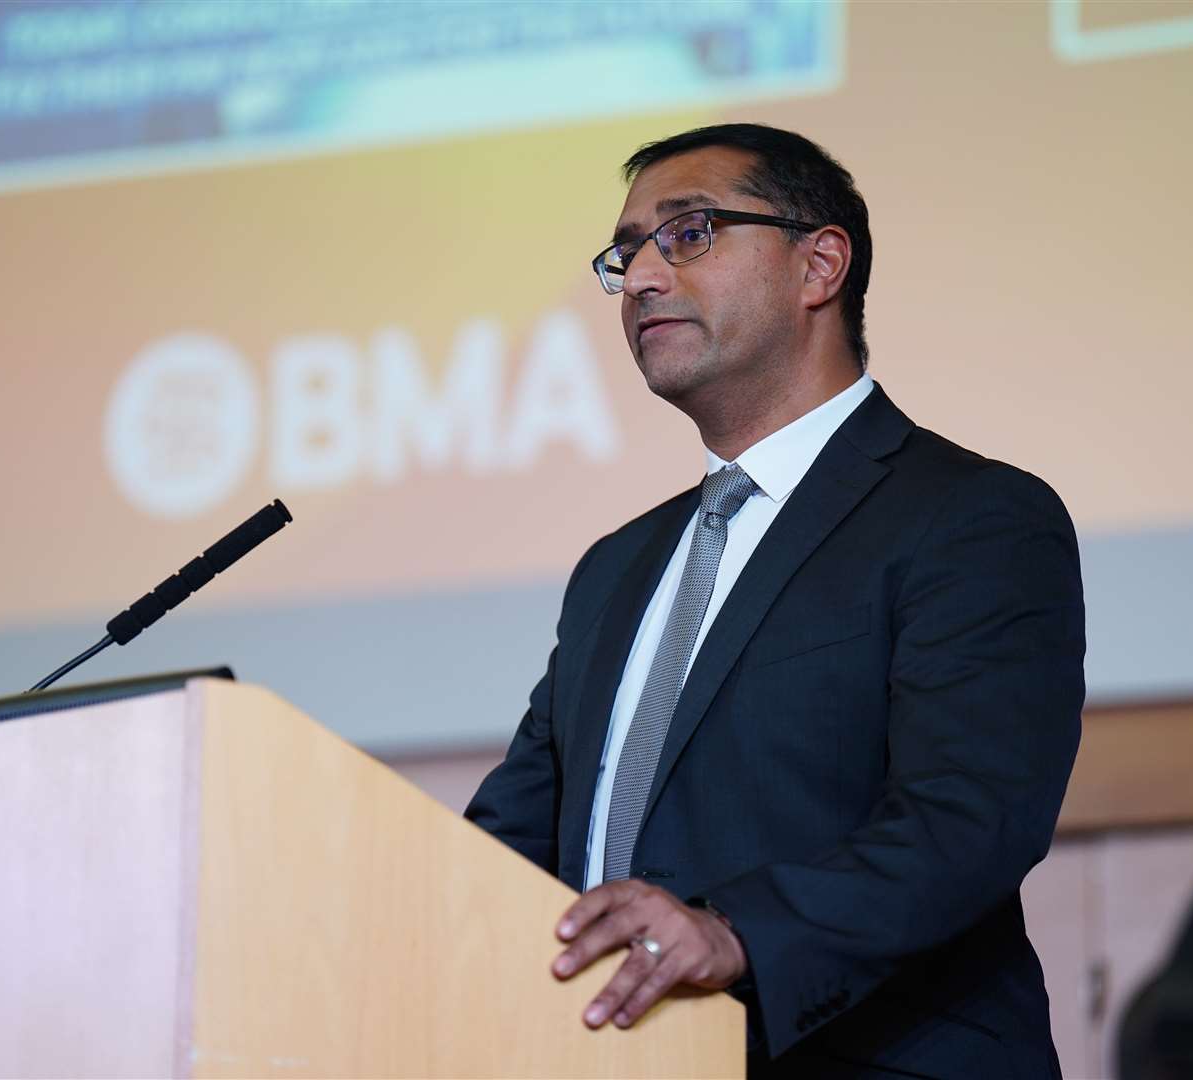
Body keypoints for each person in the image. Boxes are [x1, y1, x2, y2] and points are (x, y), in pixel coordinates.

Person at [465, 123, 1086, 1079]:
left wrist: (734, 933)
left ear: (819, 264)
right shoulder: (616, 568)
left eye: (690, 232)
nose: (639, 279)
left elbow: (968, 818)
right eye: (626, 253)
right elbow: (507, 846)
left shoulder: (971, 516)